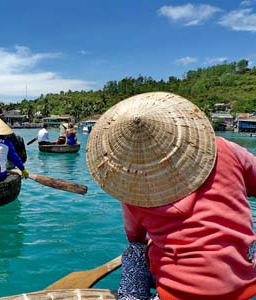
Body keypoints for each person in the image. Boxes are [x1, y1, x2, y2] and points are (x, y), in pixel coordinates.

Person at [86, 92, 256, 300]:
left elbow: (135, 237)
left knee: (135, 251)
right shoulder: (227, 149)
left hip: (175, 294)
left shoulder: (133, 190)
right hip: (243, 284)